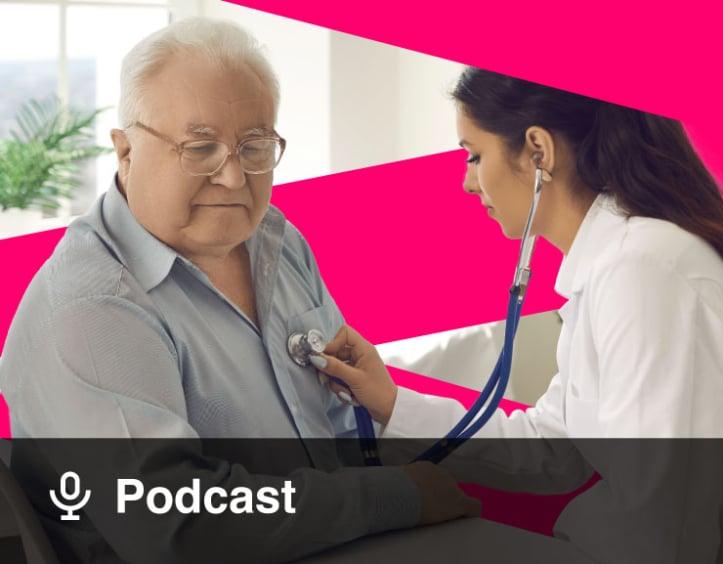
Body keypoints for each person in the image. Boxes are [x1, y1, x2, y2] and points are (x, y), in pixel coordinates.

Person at [314, 68, 723, 563]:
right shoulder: (614, 265)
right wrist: (389, 403)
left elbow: (664, 535)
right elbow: (556, 448)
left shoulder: (644, 270)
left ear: (537, 151)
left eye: (474, 154)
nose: (467, 181)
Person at [0, 18, 481, 563]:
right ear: (125, 151)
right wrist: (399, 496)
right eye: (200, 148)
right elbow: (180, 528)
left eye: (254, 146)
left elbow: (335, 422)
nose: (233, 178)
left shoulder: (275, 239)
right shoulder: (91, 309)